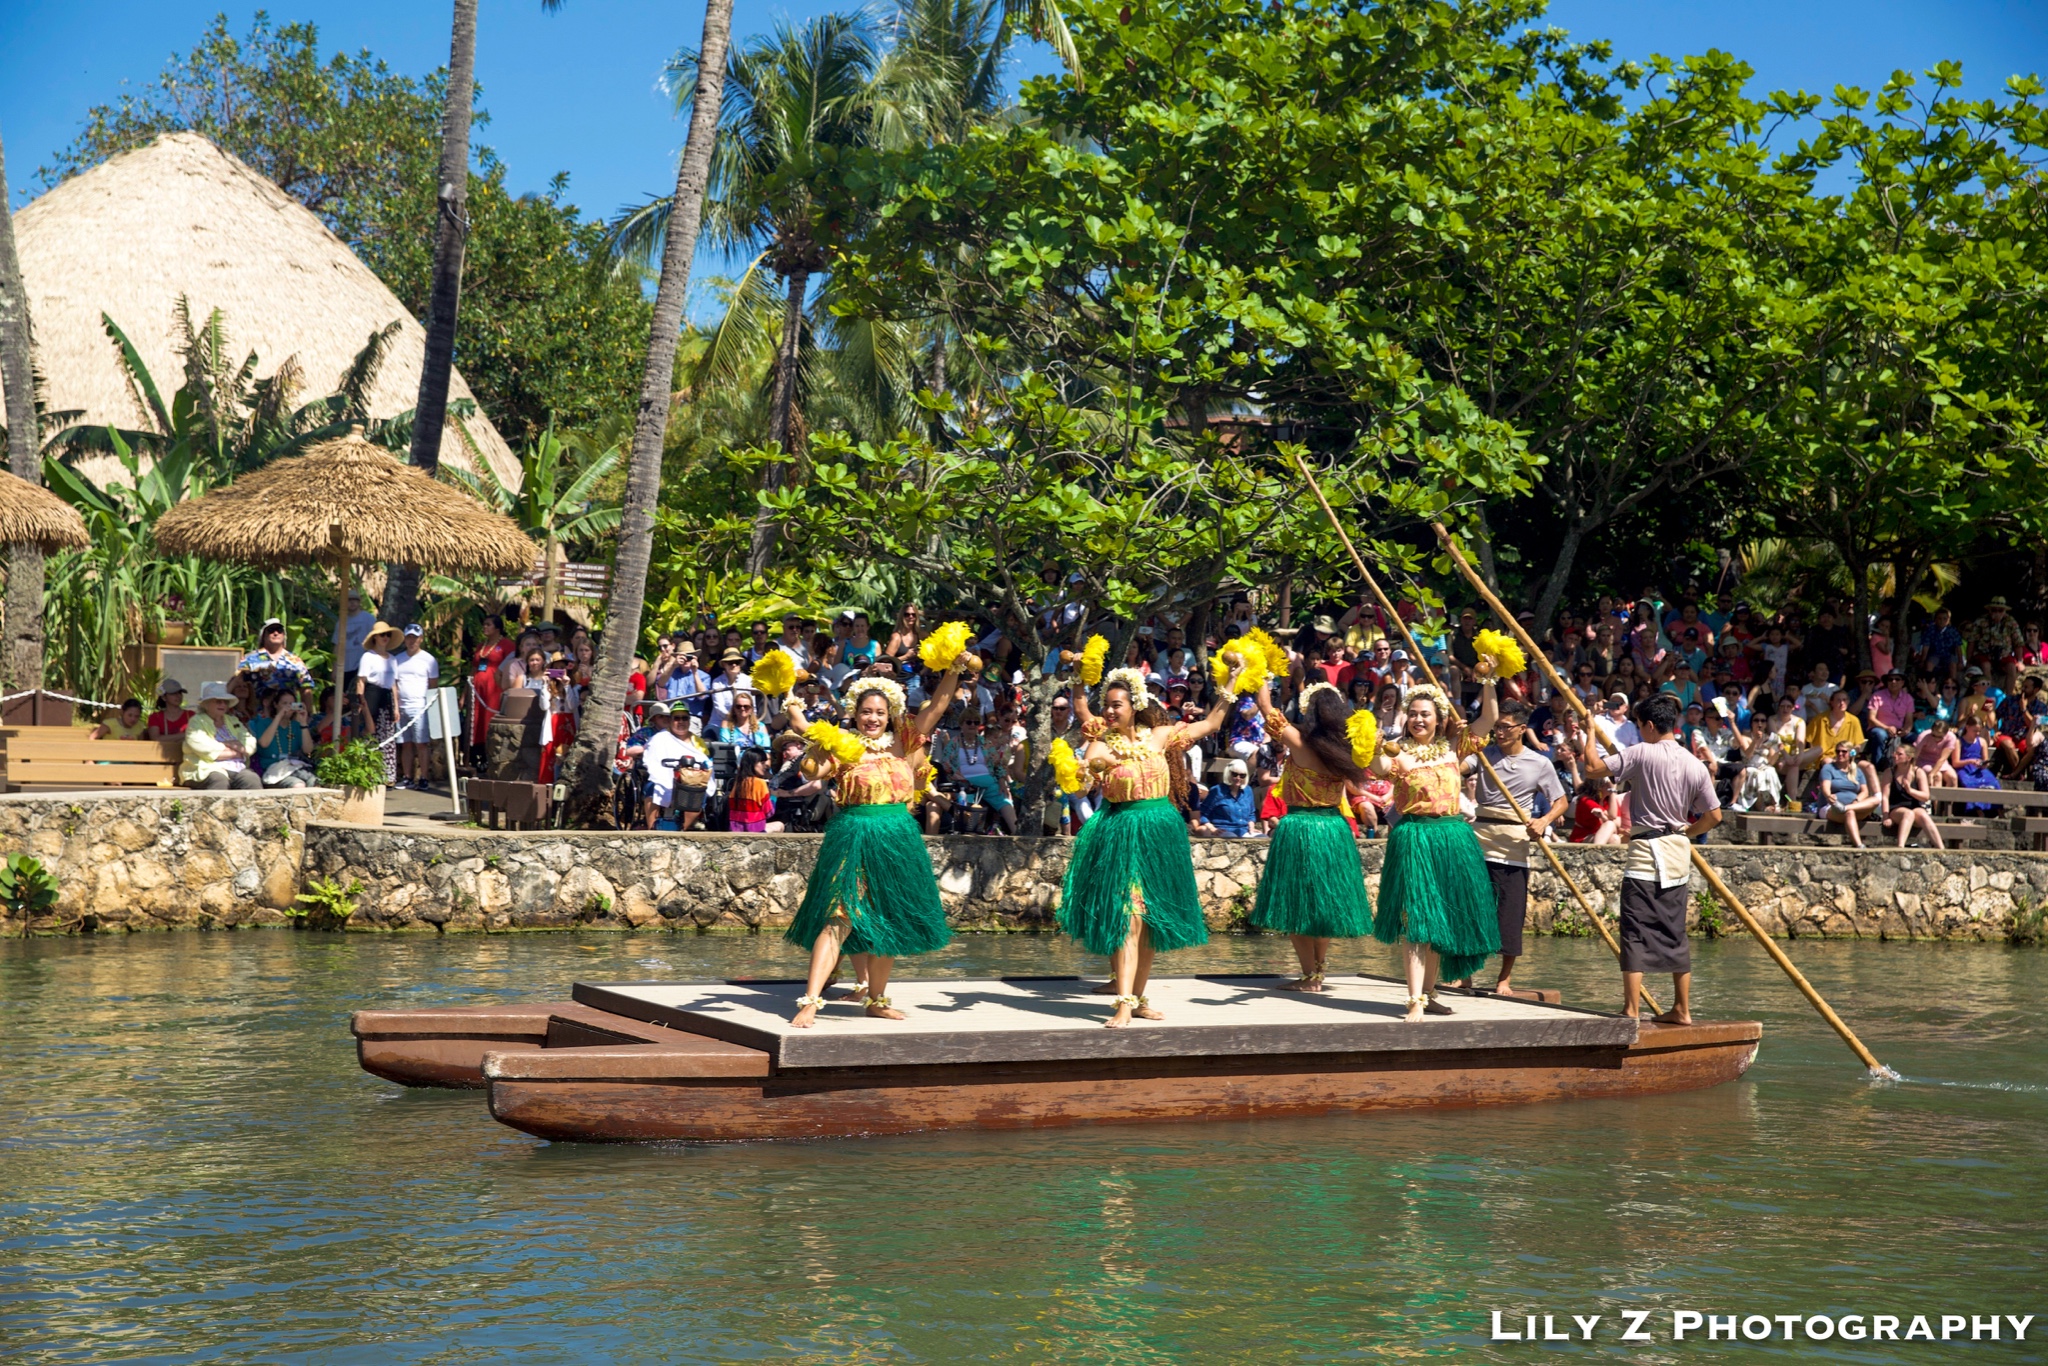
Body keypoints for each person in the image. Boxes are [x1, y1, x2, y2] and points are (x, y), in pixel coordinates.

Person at [781, 656, 975, 1028]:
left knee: (888, 918)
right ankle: (811, 1000)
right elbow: (815, 770)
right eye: (866, 712)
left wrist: (953, 668)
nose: (872, 718)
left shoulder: (905, 743)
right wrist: (813, 742)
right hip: (854, 834)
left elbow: (937, 706)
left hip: (898, 836)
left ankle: (876, 999)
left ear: (890, 715)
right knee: (837, 915)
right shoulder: (843, 745)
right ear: (855, 714)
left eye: (880, 713)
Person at [1064, 664, 1232, 1028]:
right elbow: (1083, 785)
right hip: (1122, 833)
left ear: (1134, 705)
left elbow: (1211, 725)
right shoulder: (1101, 742)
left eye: (1116, 705)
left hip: (1160, 835)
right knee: (1130, 914)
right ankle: (1123, 1003)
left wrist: (1232, 682)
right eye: (1106, 704)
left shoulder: (1159, 735)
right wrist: (1084, 773)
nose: (1109, 711)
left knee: (1151, 920)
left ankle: (1138, 1000)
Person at [1574, 693, 1721, 1025]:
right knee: (1674, 931)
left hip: (1645, 853)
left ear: (1651, 726)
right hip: (1676, 852)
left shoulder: (1642, 752)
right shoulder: (1694, 763)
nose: (1640, 732)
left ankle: (1631, 1009)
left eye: (1640, 726)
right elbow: (1714, 815)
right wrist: (1689, 830)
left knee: (1636, 929)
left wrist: (1590, 731)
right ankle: (1682, 1009)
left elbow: (1592, 768)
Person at [1369, 668, 1502, 1022]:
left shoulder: (1454, 748)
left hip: (1453, 838)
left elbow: (1490, 717)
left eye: (1425, 714)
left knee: (1442, 917)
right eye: (1412, 714)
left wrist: (1489, 678)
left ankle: (1430, 994)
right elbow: (1378, 767)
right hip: (1415, 838)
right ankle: (1414, 999)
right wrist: (1367, 740)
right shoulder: (1399, 754)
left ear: (1440, 719)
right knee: (1417, 920)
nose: (1417, 719)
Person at [1245, 679, 1375, 991]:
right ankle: (1319, 970)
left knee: (1297, 904)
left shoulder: (1300, 744)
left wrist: (1261, 677)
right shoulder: (1344, 752)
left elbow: (1265, 709)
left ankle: (1308, 976)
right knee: (1323, 905)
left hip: (1301, 827)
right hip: (1333, 829)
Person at [1465, 697, 1567, 996]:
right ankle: (1465, 973)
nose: (1499, 732)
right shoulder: (1483, 755)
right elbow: (1459, 767)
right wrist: (1463, 740)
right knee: (1472, 908)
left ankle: (1504, 980)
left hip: (1514, 846)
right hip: (1480, 839)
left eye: (1506, 727)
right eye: (1497, 727)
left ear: (1522, 729)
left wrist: (1543, 820)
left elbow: (1561, 802)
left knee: (1509, 914)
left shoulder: (1539, 763)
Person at [180, 682, 261, 790]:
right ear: (206, 704)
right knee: (219, 780)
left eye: (225, 702)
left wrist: (231, 749)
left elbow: (250, 742)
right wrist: (234, 747)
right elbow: (205, 749)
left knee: (251, 778)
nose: (223, 705)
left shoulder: (232, 720)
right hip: (205, 769)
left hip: (237, 769)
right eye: (218, 702)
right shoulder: (196, 722)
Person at [392, 625, 440, 790]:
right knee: (405, 743)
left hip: (420, 706)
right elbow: (395, 685)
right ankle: (407, 777)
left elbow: (433, 686)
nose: (412, 641)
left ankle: (424, 777)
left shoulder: (429, 660)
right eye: (409, 637)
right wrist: (396, 707)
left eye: (415, 637)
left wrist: (430, 708)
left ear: (421, 639)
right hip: (402, 705)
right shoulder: (397, 659)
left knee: (421, 743)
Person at [354, 622, 401, 786]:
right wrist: (361, 701)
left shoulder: (393, 659)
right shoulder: (368, 656)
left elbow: (394, 684)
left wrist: (396, 706)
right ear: (375, 637)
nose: (385, 638)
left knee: (387, 735)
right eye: (382, 635)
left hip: (386, 696)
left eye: (388, 635)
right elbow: (361, 681)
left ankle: (388, 775)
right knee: (370, 733)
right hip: (371, 694)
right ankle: (369, 773)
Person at [1815, 741, 1881, 847]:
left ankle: (1845, 808)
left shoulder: (1857, 771)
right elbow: (1825, 787)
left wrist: (1856, 801)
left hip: (1852, 807)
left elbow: (1865, 791)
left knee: (1875, 800)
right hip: (1831, 807)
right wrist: (1829, 796)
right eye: (1838, 751)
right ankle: (1859, 845)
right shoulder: (1829, 768)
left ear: (1851, 753)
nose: (1840, 754)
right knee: (1849, 813)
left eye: (1844, 752)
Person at [468, 614, 515, 762]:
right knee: (476, 721)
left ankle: (492, 753)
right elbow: (473, 668)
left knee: (489, 719)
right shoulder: (481, 646)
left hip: (494, 690)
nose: (485, 627)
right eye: (484, 624)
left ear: (498, 628)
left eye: (488, 624)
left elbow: (510, 668)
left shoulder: (507, 645)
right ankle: (476, 755)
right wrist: (465, 694)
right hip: (477, 690)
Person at [238, 618, 313, 707]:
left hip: (287, 714)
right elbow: (237, 684)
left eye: (279, 630)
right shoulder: (249, 659)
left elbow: (305, 688)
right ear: (263, 636)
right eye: (271, 630)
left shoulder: (295, 661)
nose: (276, 633)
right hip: (257, 714)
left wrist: (307, 713)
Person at [252, 690, 316, 786]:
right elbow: (264, 743)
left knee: (314, 782)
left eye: (291, 704)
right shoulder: (264, 723)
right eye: (284, 703)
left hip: (294, 767)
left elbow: (308, 750)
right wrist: (279, 716)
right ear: (275, 705)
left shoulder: (296, 726)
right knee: (298, 785)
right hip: (273, 771)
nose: (288, 707)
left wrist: (303, 723)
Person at [1885, 754, 1944, 850]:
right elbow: (1885, 796)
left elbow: (1925, 796)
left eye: (1899, 754)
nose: (1894, 756)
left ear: (1909, 757)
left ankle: (1941, 848)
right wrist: (1885, 817)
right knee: (1908, 814)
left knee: (1923, 814)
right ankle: (1900, 847)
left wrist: (1910, 790)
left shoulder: (1918, 772)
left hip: (1915, 807)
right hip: (1896, 809)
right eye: (1895, 753)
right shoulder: (1890, 772)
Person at [1192, 757, 1257, 837]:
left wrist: (1251, 826)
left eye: (1242, 775)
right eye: (1234, 774)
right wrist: (1212, 828)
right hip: (1223, 829)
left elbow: (1251, 814)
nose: (1238, 778)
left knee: (1263, 838)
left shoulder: (1248, 790)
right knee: (1232, 838)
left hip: (1244, 829)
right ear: (1228, 774)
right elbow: (1202, 814)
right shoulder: (1217, 791)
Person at [1569, 773, 1626, 844]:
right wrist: (1612, 791)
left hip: (1598, 835)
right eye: (1608, 784)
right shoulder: (1585, 800)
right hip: (1582, 837)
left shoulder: (1609, 802)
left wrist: (1612, 793)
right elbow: (1612, 818)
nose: (1611, 786)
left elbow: (1617, 823)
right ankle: (1596, 848)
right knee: (1610, 824)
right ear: (1599, 786)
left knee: (1615, 838)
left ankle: (1599, 852)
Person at [727, 749, 775, 832]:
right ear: (752, 763)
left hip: (735, 830)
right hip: (756, 831)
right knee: (780, 825)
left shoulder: (738, 781)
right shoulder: (760, 783)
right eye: (762, 763)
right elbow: (769, 813)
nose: (765, 766)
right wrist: (774, 796)